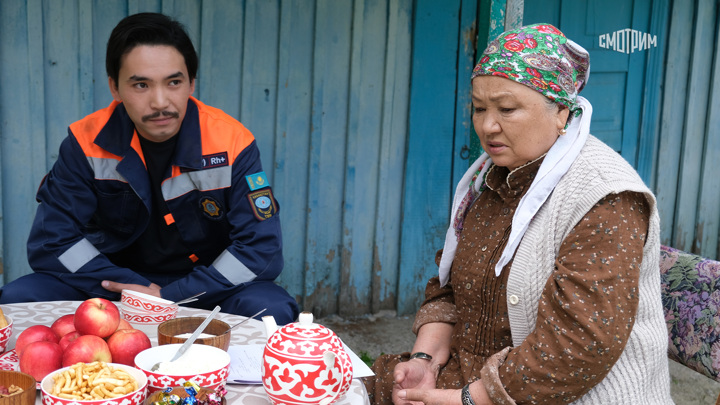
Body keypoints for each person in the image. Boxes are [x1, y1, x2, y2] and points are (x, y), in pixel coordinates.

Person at [365, 23, 673, 404]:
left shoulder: (606, 197)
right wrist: (424, 359)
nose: (487, 126)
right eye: (479, 108)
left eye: (507, 109)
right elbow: (452, 283)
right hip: (473, 377)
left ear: (562, 111)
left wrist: (468, 399)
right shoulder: (491, 180)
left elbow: (579, 345)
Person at [0, 12, 299, 325]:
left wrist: (175, 294)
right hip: (110, 286)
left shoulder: (232, 141)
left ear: (191, 83)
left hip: (207, 290)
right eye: (141, 84)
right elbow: (53, 241)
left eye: (173, 82)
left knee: (269, 308)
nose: (160, 102)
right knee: (18, 300)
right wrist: (134, 290)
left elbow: (261, 249)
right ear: (115, 87)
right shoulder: (85, 142)